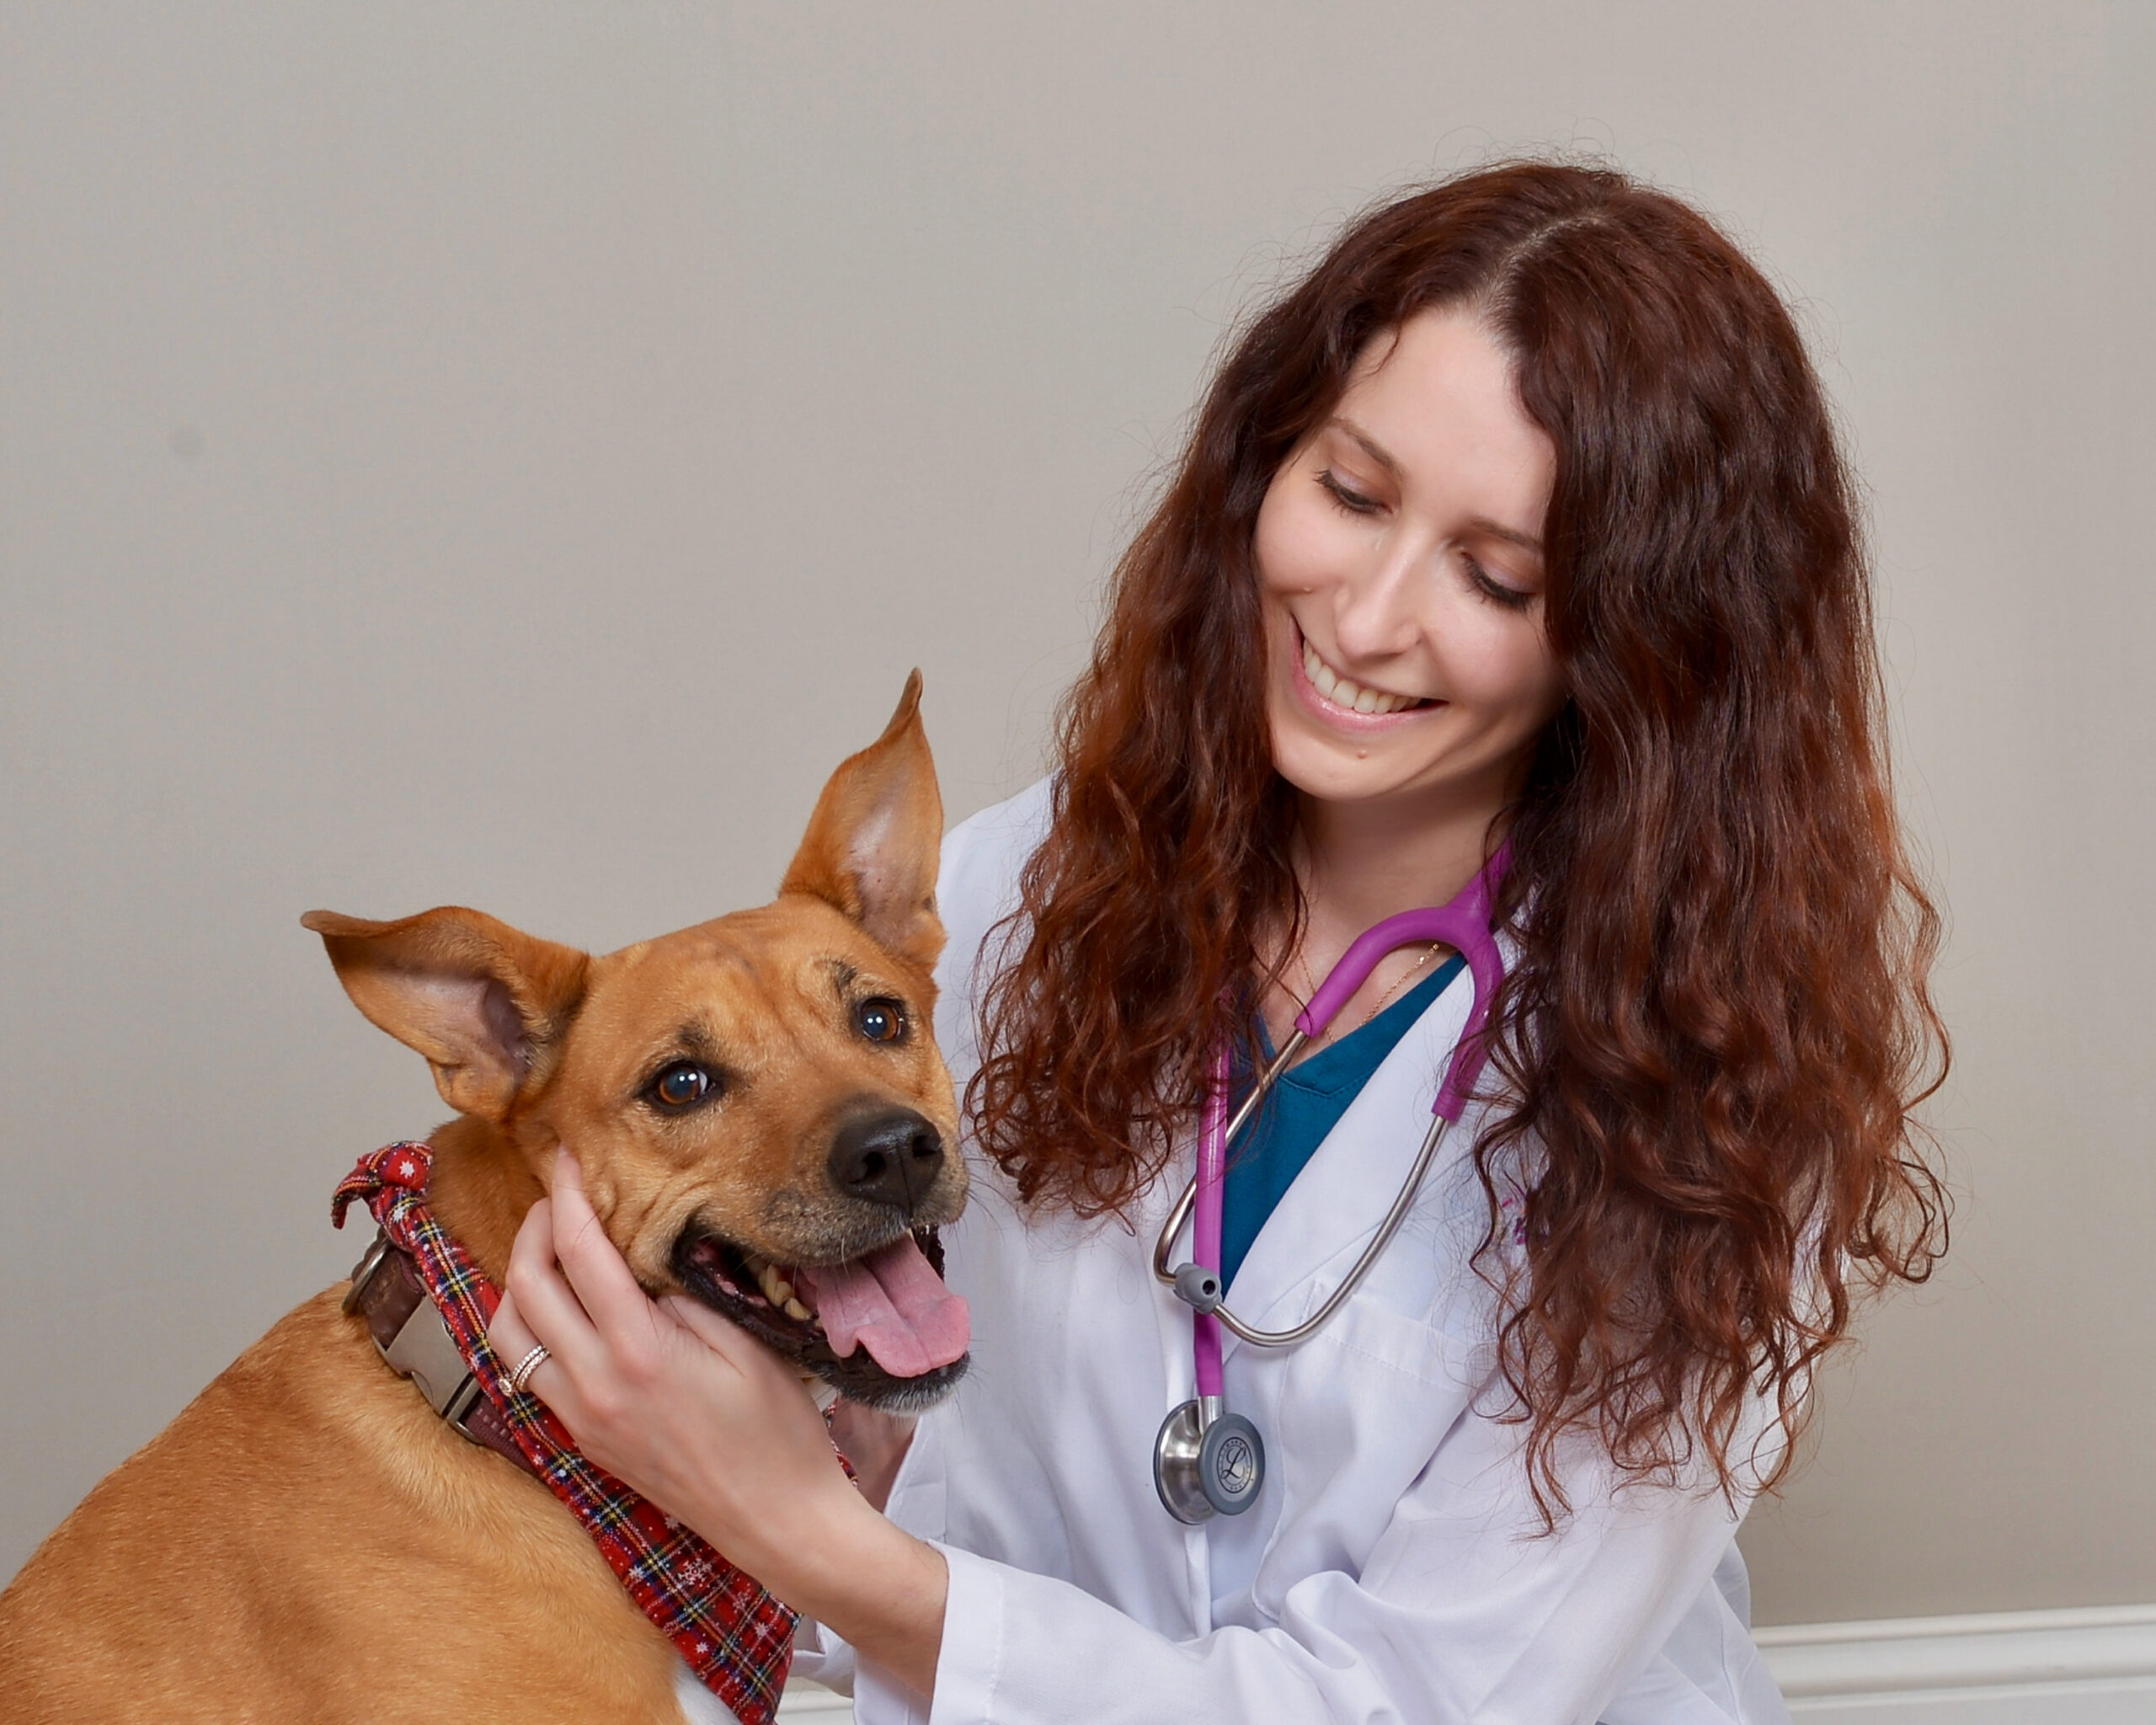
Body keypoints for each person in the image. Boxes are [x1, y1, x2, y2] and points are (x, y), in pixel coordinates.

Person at [488, 161, 1946, 1723]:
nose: (1368, 617)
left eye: (1497, 574)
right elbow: (907, 1414)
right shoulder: (1018, 887)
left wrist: (803, 1534)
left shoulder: (1718, 1103)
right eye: (1353, 494)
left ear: (1649, 645)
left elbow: (1419, 1707)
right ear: (1266, 459)